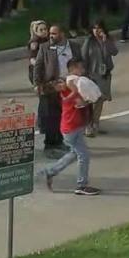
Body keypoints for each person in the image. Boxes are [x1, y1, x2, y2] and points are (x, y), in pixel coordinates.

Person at [40, 60, 100, 196]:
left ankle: (50, 172)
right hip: (71, 130)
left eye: (60, 82)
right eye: (58, 85)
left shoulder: (69, 89)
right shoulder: (66, 97)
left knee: (74, 154)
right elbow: (80, 99)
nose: (61, 84)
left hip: (75, 128)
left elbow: (78, 90)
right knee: (83, 155)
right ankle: (81, 185)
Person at [33, 25, 82, 158]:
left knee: (64, 115)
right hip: (52, 86)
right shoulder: (45, 47)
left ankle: (60, 141)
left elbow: (81, 64)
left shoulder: (74, 47)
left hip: (69, 85)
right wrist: (37, 84)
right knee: (50, 116)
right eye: (50, 34)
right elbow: (38, 66)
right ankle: (49, 144)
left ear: (62, 34)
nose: (51, 36)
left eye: (54, 33)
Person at [81, 21, 118, 136]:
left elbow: (114, 52)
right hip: (92, 74)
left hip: (104, 74)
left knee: (100, 100)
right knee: (92, 101)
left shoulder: (107, 39)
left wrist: (105, 41)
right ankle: (88, 125)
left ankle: (95, 124)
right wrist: (84, 74)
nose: (97, 31)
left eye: (99, 28)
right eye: (94, 28)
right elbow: (83, 57)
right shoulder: (89, 41)